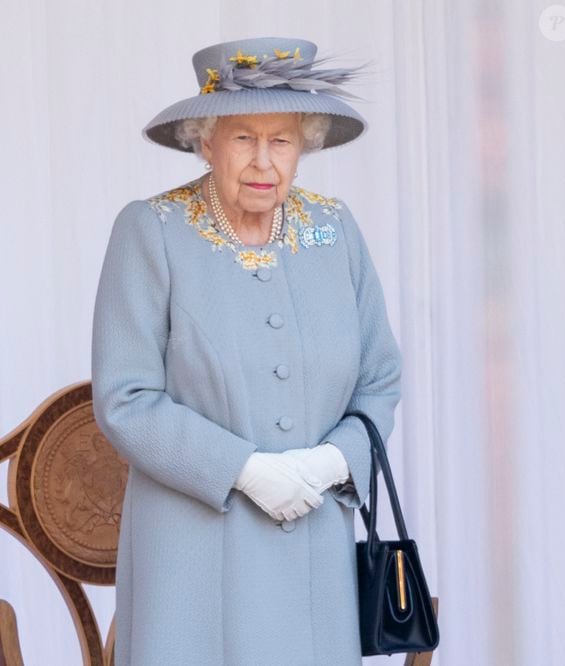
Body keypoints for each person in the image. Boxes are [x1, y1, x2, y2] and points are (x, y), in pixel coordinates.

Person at [91, 36, 402, 666]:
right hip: (192, 554)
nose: (264, 161)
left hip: (315, 547)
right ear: (204, 141)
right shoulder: (151, 230)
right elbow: (125, 398)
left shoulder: (333, 228)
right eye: (242, 138)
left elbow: (379, 380)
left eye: (281, 140)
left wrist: (330, 464)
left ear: (303, 145)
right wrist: (241, 468)